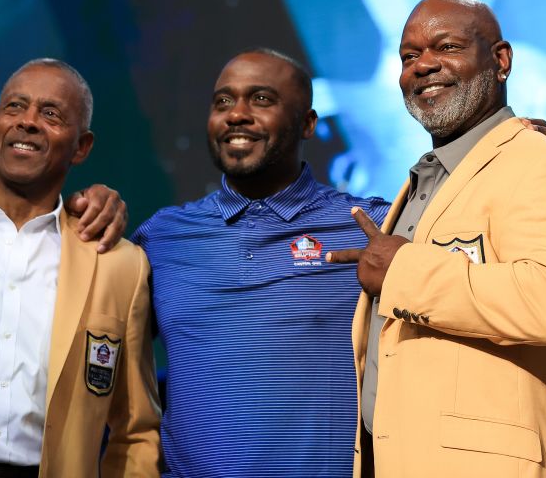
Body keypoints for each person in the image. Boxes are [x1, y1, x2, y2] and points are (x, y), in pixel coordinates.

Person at [328, 0, 546, 478]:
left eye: (446, 47)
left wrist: (406, 271)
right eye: (409, 56)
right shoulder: (416, 185)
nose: (424, 66)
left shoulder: (544, 163)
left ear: (500, 61)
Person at [130, 49, 391, 477]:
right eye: (223, 102)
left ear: (308, 123)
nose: (237, 115)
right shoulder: (163, 236)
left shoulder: (370, 224)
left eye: (262, 99)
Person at [0, 58, 160, 477]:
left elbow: (135, 429)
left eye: (51, 114)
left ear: (82, 147)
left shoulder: (119, 265)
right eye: (15, 108)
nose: (28, 122)